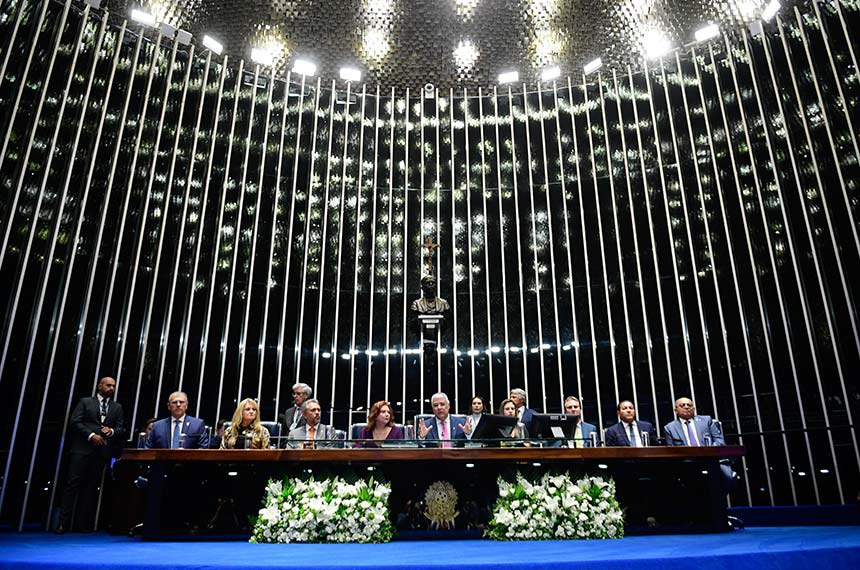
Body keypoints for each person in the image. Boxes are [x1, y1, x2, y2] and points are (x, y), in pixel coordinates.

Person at [55, 376, 126, 533]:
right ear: (99, 386)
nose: (111, 388)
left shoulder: (117, 407)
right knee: (72, 484)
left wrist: (112, 431)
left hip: (101, 452)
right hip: (82, 449)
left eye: (113, 386)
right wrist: (91, 435)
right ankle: (62, 523)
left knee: (91, 487)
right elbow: (75, 422)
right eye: (108, 385)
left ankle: (82, 524)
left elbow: (121, 428)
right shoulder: (85, 402)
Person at [664, 397, 733, 490]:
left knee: (721, 479)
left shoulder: (706, 420)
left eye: (689, 405)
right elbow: (671, 451)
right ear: (676, 410)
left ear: (694, 409)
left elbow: (720, 441)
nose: (686, 407)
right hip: (687, 463)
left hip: (711, 459)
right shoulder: (670, 427)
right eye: (682, 405)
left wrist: (708, 451)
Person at [145, 391, 209, 449]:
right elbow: (148, 449)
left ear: (186, 405)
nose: (178, 405)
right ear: (169, 406)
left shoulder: (198, 424)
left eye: (181, 402)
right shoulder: (157, 426)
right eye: (174, 402)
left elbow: (203, 448)